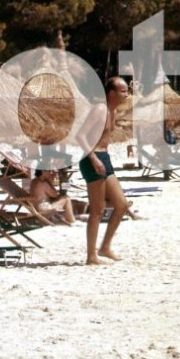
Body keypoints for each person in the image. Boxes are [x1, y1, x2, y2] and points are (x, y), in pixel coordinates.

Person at [80, 77, 131, 264]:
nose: (127, 94)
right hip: (92, 159)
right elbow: (81, 136)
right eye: (123, 91)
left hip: (104, 159)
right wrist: (93, 159)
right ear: (112, 93)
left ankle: (105, 247)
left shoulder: (113, 111)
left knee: (122, 205)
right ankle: (91, 256)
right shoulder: (100, 109)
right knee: (97, 211)